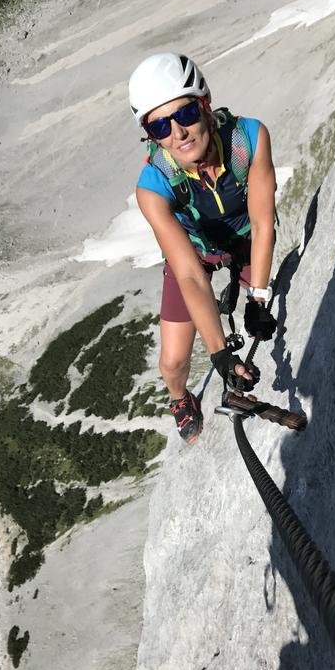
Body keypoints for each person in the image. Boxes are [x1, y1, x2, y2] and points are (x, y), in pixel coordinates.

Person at [129, 52, 278, 444]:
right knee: (173, 361)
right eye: (161, 125)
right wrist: (220, 354)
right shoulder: (153, 187)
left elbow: (263, 224)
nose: (178, 133)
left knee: (267, 318)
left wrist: (258, 299)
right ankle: (180, 399)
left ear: (206, 106)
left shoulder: (249, 139)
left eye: (185, 114)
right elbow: (190, 275)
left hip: (244, 240)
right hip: (194, 253)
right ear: (152, 136)